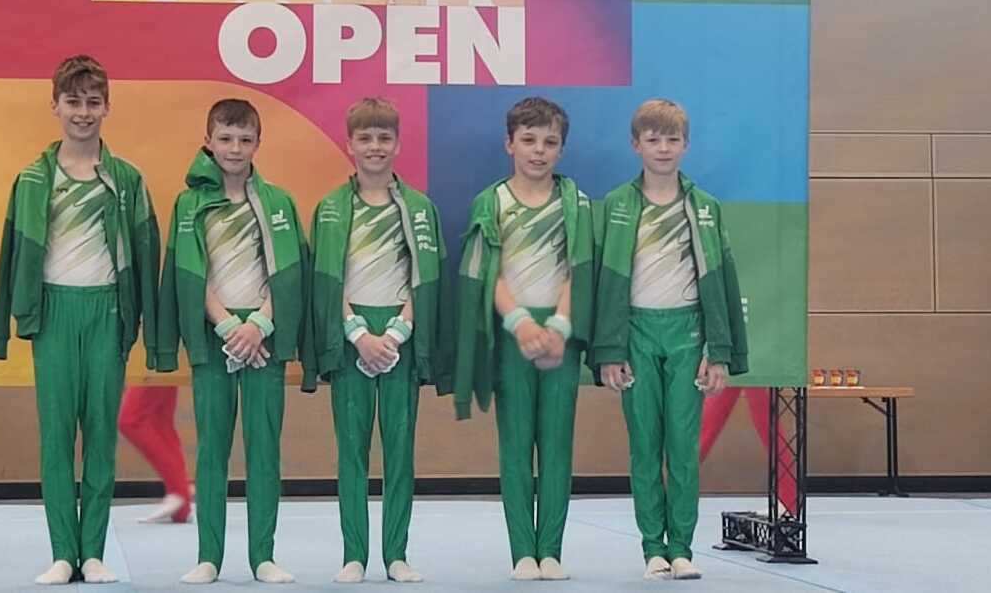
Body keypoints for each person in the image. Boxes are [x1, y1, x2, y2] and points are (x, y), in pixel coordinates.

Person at [0, 55, 161, 585]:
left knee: (101, 438)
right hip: (55, 313)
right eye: (73, 102)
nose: (83, 113)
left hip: (107, 311)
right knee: (57, 437)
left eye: (93, 102)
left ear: (107, 107)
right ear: (55, 106)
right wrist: (7, 327)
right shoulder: (33, 179)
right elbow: (10, 256)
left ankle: (94, 552)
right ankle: (63, 551)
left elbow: (146, 253)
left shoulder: (128, 180)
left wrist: (145, 329)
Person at [590, 98, 749, 581]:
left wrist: (717, 351)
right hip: (636, 331)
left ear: (686, 145)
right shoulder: (617, 205)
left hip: (688, 333)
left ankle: (681, 548)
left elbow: (723, 282)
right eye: (653, 139)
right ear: (636, 144)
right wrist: (609, 350)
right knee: (644, 445)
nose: (663, 148)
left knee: (682, 446)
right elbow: (604, 281)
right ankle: (651, 548)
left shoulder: (705, 208)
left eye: (672, 139)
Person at [156, 99, 310, 585]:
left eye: (245, 140)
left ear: (258, 144)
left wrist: (261, 324)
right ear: (208, 141)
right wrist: (225, 325)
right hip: (216, 336)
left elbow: (290, 275)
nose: (235, 148)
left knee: (264, 448)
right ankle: (209, 556)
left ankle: (263, 555)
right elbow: (187, 272)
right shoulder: (190, 204)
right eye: (225, 138)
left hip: (263, 336)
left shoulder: (279, 203)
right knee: (213, 449)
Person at [301, 98, 449, 584]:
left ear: (398, 144)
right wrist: (357, 332)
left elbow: (426, 277)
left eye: (384, 138)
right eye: (365, 138)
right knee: (352, 452)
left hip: (400, 336)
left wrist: (401, 330)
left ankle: (397, 553)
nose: (375, 147)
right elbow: (325, 278)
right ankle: (354, 554)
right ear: (349, 145)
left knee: (400, 450)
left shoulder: (420, 209)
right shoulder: (330, 208)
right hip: (352, 336)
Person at [453, 97, 595, 581]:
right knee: (515, 446)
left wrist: (556, 327)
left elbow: (582, 269)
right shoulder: (491, 203)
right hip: (512, 332)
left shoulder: (575, 203)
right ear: (508, 143)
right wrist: (520, 324)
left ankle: (551, 550)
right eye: (529, 140)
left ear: (562, 149)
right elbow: (483, 274)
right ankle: (522, 553)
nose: (539, 151)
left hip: (561, 332)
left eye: (550, 142)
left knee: (556, 446)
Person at [118, 385, 193, 523]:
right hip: (164, 365)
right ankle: (181, 501)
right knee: (160, 420)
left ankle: (179, 490)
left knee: (131, 420)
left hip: (152, 365)